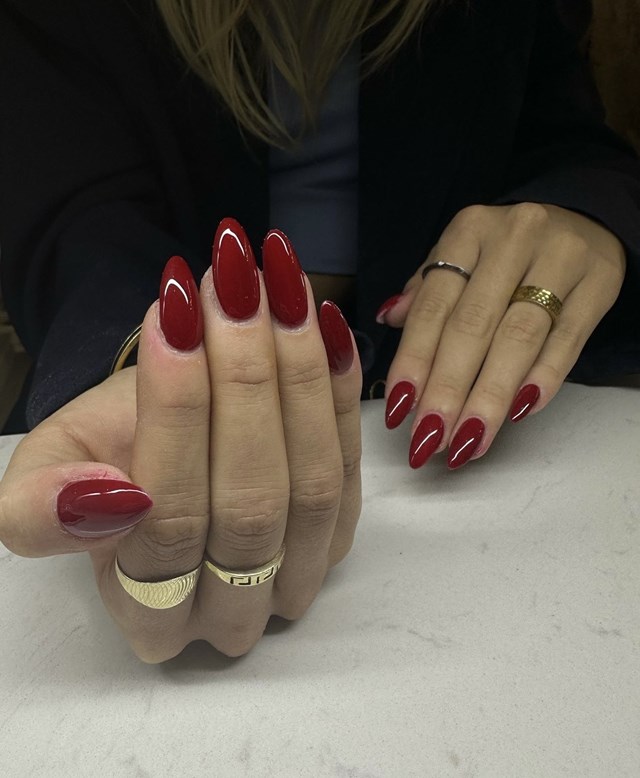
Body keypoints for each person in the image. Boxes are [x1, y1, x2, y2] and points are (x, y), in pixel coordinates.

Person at [0, 0, 639, 661]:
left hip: (475, 426)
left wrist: (584, 216)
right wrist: (142, 361)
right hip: (168, 358)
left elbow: (562, 131)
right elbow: (72, 215)